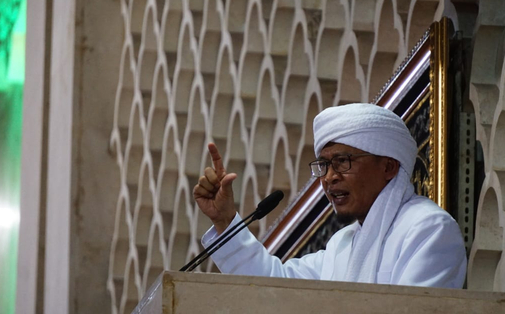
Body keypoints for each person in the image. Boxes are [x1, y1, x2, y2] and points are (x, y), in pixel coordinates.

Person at [194, 103, 466, 287]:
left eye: (343, 161)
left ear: (388, 166)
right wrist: (226, 221)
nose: (329, 177)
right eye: (324, 165)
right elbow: (274, 286)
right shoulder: (342, 245)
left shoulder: (428, 229)